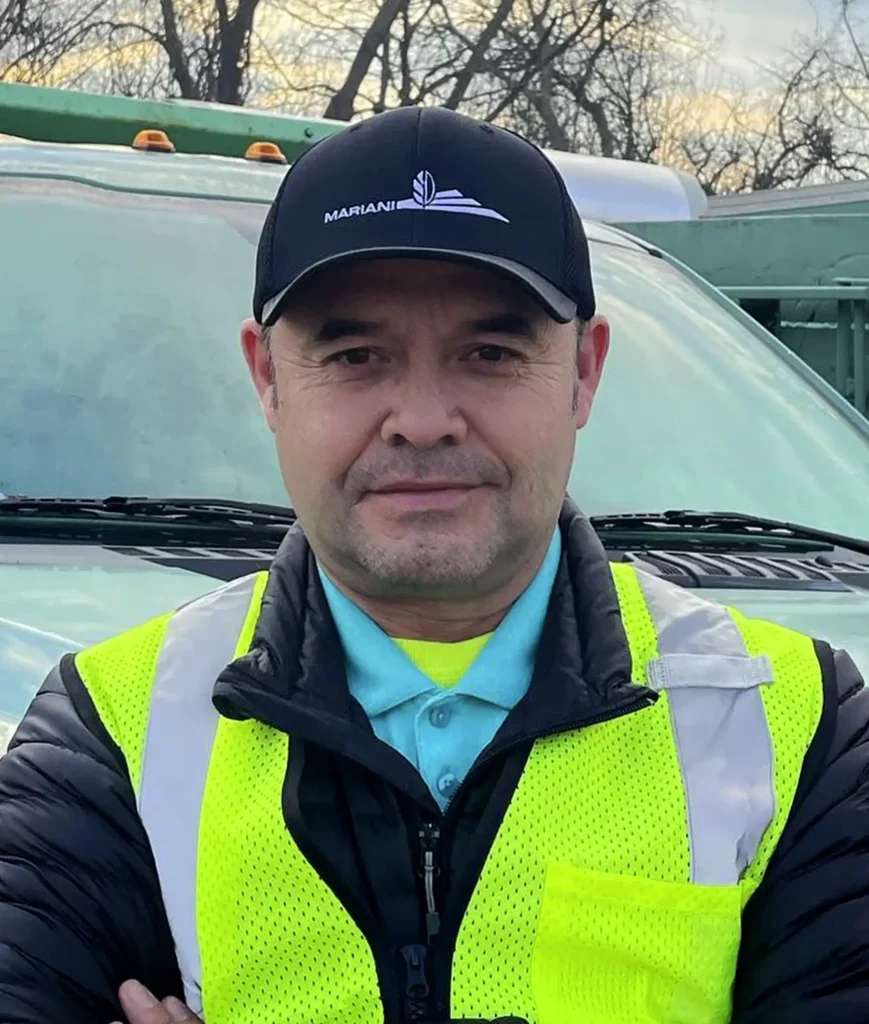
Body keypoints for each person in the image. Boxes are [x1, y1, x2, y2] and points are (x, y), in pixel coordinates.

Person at [0, 106, 868, 1024]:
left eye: (489, 353)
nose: (421, 417)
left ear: (583, 371)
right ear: (267, 378)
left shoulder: (796, 724)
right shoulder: (110, 732)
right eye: (355, 354)